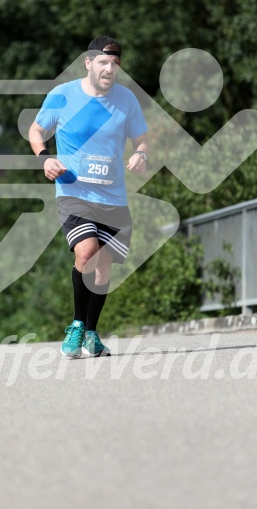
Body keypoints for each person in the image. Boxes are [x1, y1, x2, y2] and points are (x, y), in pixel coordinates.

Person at [29, 36, 148, 357]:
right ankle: (77, 325)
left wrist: (141, 155)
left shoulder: (126, 100)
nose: (110, 69)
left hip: (112, 198)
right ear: (88, 62)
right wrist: (45, 158)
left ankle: (92, 333)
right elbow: (36, 130)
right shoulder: (63, 95)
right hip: (74, 192)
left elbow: (142, 139)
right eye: (103, 62)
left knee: (104, 268)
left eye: (115, 63)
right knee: (87, 252)